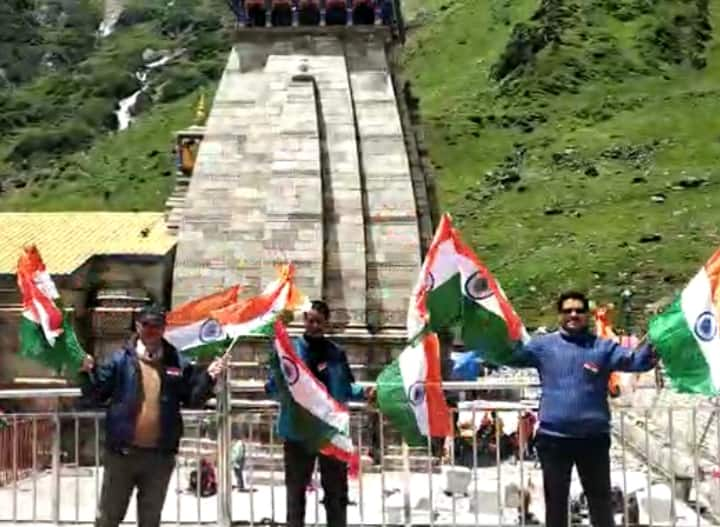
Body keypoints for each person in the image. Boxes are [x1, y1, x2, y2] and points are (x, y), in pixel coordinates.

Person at [510, 291, 656, 527]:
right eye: (568, 310)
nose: (573, 314)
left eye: (579, 310)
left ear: (587, 315)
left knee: (600, 504)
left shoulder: (603, 347)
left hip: (594, 440)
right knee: (555, 505)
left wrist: (658, 340)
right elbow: (509, 355)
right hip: (553, 440)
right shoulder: (542, 346)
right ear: (559, 315)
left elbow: (637, 362)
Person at [80, 304, 227, 527]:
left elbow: (191, 398)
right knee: (108, 517)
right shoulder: (120, 360)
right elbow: (96, 393)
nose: (152, 330)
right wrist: (86, 371)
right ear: (138, 326)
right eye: (147, 325)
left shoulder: (177, 362)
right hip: (122, 454)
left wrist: (209, 377)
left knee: (150, 520)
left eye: (157, 326)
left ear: (163, 328)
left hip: (159, 457)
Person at [265, 300, 374, 527]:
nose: (313, 325)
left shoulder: (336, 353)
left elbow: (345, 388)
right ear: (304, 319)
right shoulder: (290, 351)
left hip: (329, 432)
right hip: (298, 431)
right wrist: (273, 370)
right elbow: (276, 385)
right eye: (310, 320)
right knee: (295, 496)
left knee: (336, 496)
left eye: (318, 321)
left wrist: (365, 392)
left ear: (326, 323)